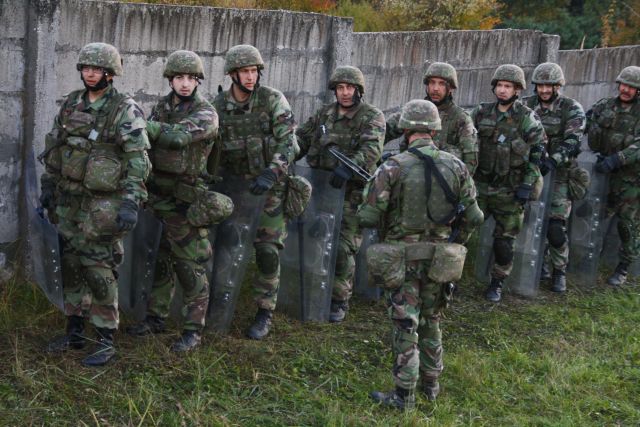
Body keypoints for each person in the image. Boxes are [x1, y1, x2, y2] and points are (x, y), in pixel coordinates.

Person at [358, 99, 484, 409]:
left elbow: (368, 217)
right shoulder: (457, 166)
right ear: (434, 131)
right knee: (432, 320)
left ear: (405, 130)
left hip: (403, 261)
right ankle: (431, 385)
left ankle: (404, 395)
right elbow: (475, 217)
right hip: (440, 260)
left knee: (406, 325)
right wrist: (454, 243)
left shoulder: (392, 166)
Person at [38, 42, 151, 366]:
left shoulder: (123, 109)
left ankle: (104, 339)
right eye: (86, 68)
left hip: (103, 204)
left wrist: (131, 201)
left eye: (97, 68)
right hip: (69, 201)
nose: (90, 73)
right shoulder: (72, 103)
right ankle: (75, 331)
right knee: (71, 265)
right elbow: (55, 146)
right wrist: (49, 185)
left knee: (99, 270)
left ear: (110, 73)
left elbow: (138, 160)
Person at [126, 50, 230, 351]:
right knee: (159, 260)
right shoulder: (162, 107)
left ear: (198, 81)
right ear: (170, 80)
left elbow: (178, 138)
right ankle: (156, 318)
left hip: (186, 201)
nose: (185, 83)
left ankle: (193, 329)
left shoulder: (206, 112)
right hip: (159, 197)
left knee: (189, 265)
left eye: (191, 78)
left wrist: (141, 125)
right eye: (179, 78)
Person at [211, 44, 297, 339]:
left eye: (254, 71)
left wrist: (272, 172)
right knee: (225, 247)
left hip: (269, 189)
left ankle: (264, 309)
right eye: (245, 72)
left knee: (268, 250)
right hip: (234, 189)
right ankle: (221, 299)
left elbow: (288, 141)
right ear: (232, 74)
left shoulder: (272, 100)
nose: (250, 77)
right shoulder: (218, 106)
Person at [296, 65, 385, 322]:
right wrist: (284, 153)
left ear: (359, 90)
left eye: (350, 88)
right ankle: (314, 288)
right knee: (315, 240)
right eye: (340, 88)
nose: (345, 93)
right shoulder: (324, 114)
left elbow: (371, 149)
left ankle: (339, 299)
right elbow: (302, 138)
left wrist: (348, 168)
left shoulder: (372, 116)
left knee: (343, 248)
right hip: (321, 188)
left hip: (352, 193)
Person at [471, 64, 546, 302]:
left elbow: (537, 153)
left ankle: (497, 282)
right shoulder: (481, 112)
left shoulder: (527, 118)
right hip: (480, 186)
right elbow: (467, 142)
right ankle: (449, 277)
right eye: (500, 85)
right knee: (461, 229)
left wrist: (527, 184)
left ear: (517, 90)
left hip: (510, 190)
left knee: (504, 243)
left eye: (508, 86)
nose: (502, 90)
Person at [522, 62, 586, 293]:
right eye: (540, 85)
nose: (544, 90)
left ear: (558, 86)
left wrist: (553, 160)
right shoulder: (526, 105)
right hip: (532, 172)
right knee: (529, 220)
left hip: (560, 175)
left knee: (555, 227)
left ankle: (559, 270)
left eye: (549, 86)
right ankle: (536, 264)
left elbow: (573, 140)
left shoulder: (571, 108)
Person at [587, 65, 640, 287]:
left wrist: (617, 159)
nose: (626, 90)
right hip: (604, 175)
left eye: (631, 87)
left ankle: (624, 266)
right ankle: (587, 258)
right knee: (590, 215)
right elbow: (584, 122)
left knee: (627, 224)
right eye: (623, 85)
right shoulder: (604, 106)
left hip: (631, 180)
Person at [385, 62, 478, 174]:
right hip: (410, 177)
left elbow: (470, 160)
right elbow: (383, 132)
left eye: (441, 84)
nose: (435, 88)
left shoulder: (460, 118)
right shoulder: (414, 110)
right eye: (432, 82)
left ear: (450, 88)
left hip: (444, 179)